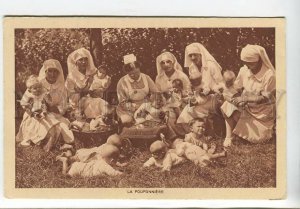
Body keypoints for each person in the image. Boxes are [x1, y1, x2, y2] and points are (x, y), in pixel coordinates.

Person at [222, 44, 276, 147]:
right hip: (247, 107)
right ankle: (229, 137)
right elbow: (236, 87)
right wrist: (230, 95)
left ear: (259, 60)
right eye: (245, 63)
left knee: (261, 138)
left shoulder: (269, 75)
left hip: (262, 114)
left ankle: (246, 133)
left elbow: (265, 98)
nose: (247, 66)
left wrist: (245, 99)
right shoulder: (244, 70)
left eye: (251, 64)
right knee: (227, 105)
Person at [16, 75, 60, 151]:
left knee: (52, 124)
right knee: (32, 127)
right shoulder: (29, 95)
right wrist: (28, 108)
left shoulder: (43, 93)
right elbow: (23, 103)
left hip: (43, 112)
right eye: (35, 88)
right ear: (30, 90)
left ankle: (48, 141)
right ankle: (32, 140)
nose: (38, 90)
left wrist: (48, 98)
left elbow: (49, 103)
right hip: (32, 114)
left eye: (39, 87)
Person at [65, 48, 111, 119]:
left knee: (103, 105)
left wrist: (102, 87)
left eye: (85, 59)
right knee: (95, 106)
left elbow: (102, 82)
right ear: (76, 62)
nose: (84, 62)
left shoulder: (92, 72)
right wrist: (87, 89)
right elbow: (72, 97)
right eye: (81, 60)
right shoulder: (71, 77)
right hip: (78, 105)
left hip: (94, 98)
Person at [39, 59, 75, 145]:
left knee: (66, 130)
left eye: (55, 71)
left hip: (55, 113)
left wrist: (56, 109)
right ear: (45, 71)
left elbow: (62, 105)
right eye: (50, 71)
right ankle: (50, 139)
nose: (52, 74)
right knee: (48, 128)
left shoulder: (61, 86)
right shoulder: (39, 84)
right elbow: (32, 100)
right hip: (40, 114)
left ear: (59, 73)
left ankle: (61, 138)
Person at [116, 54, 158, 125]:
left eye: (137, 72)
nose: (135, 75)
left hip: (145, 104)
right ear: (127, 73)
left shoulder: (146, 78)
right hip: (128, 108)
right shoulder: (122, 82)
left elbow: (155, 93)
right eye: (131, 74)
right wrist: (134, 107)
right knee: (127, 121)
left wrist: (152, 102)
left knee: (153, 118)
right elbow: (122, 101)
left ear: (139, 69)